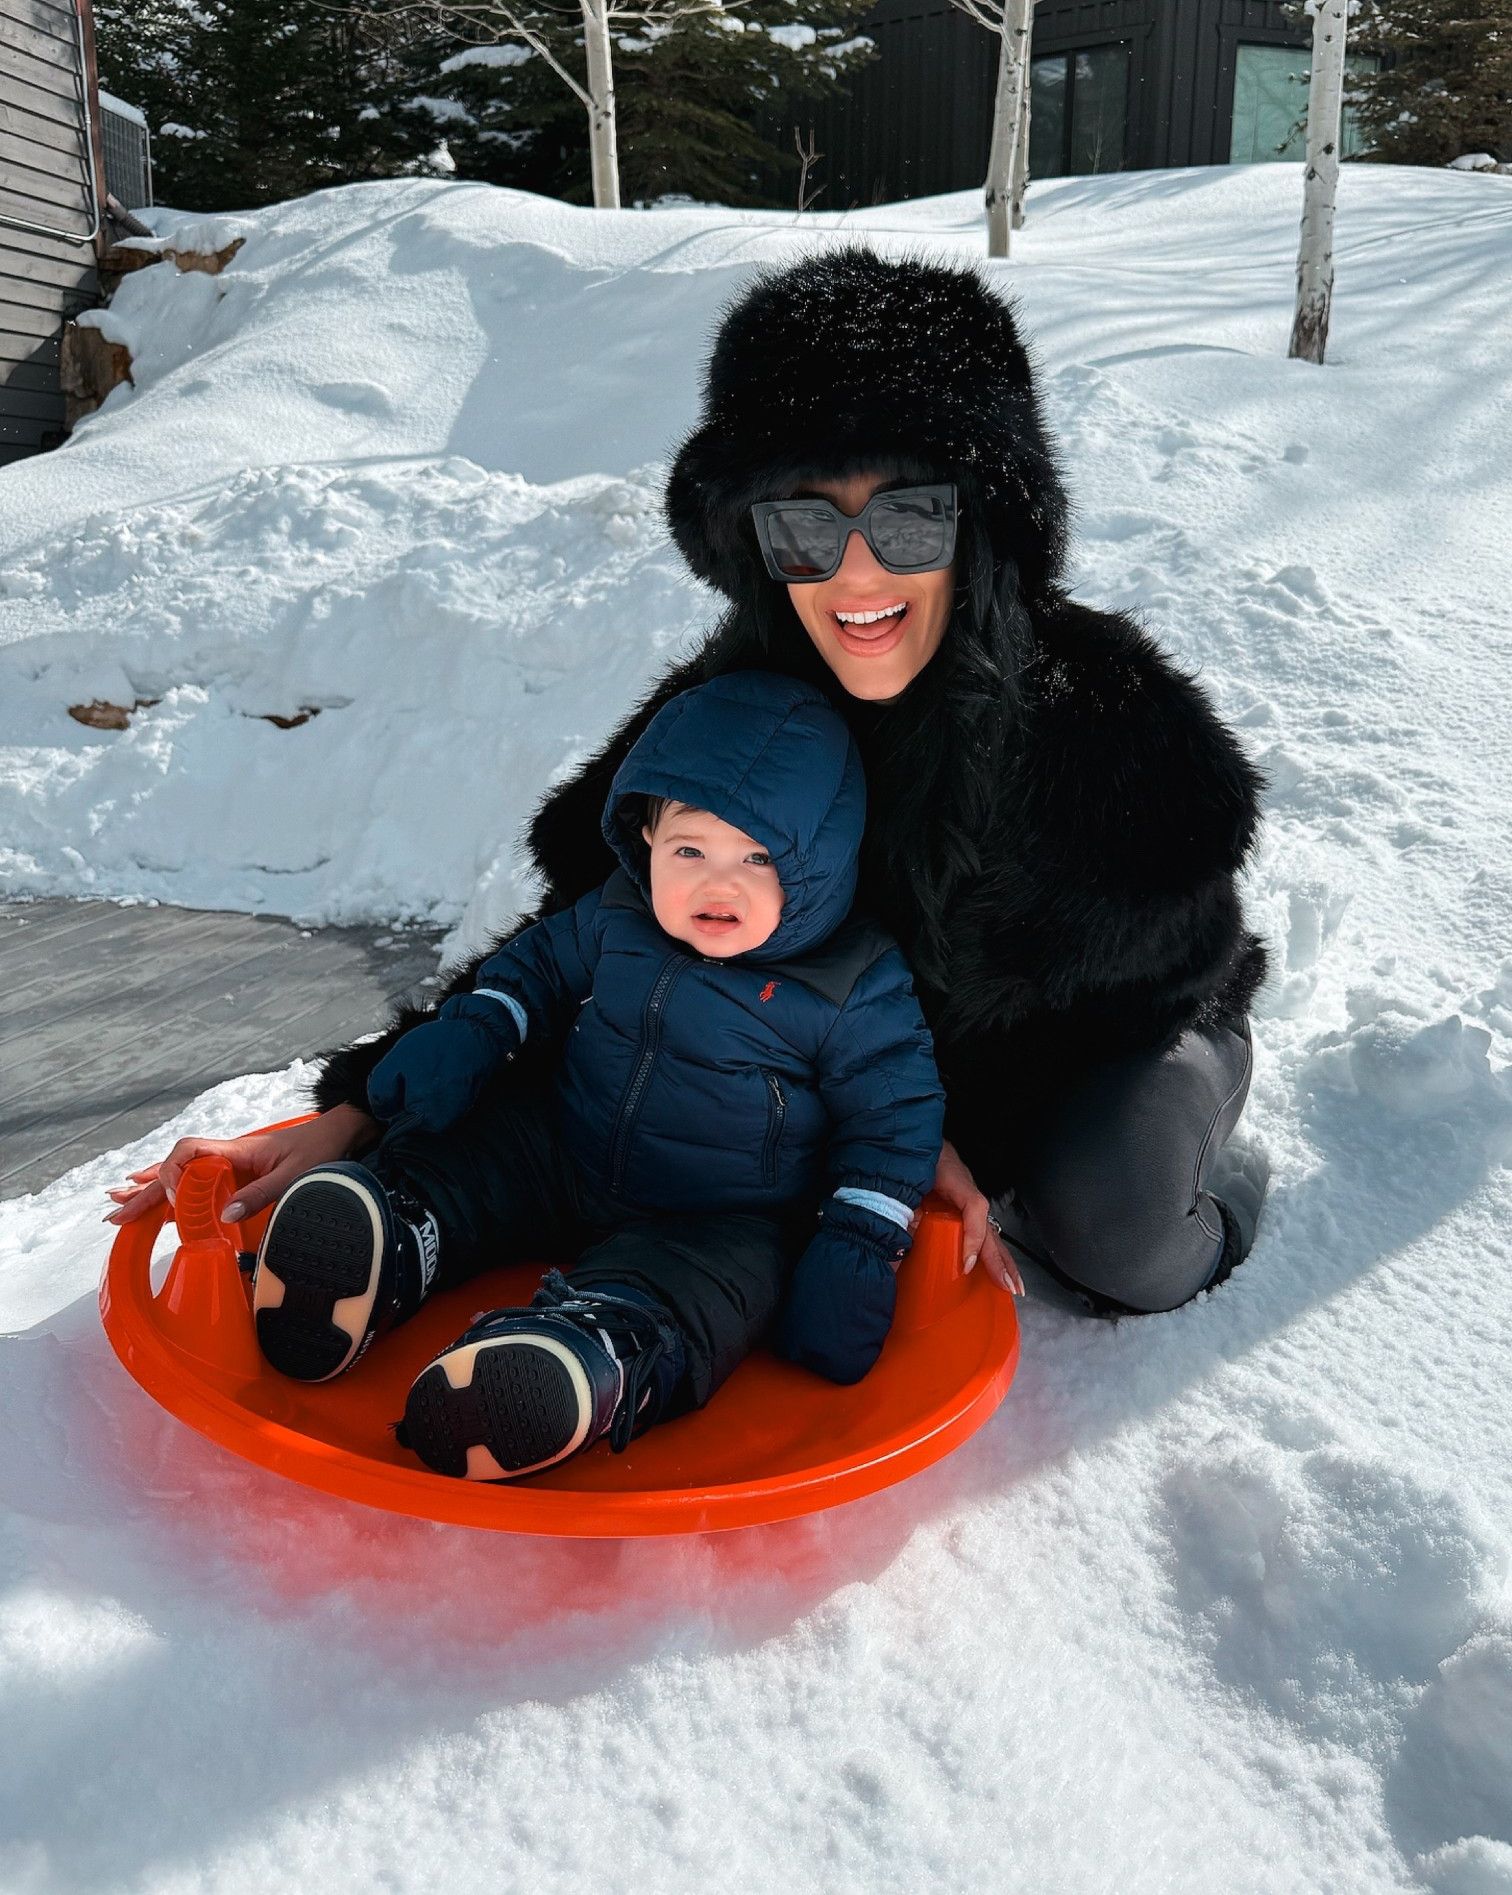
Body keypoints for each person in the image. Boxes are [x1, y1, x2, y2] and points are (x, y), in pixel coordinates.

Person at [112, 245, 1266, 1322]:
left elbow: (1150, 968)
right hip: (858, 1062)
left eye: (910, 517)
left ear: (985, 526)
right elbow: (592, 932)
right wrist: (364, 1109)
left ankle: (1216, 1190)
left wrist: (933, 1133)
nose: (858, 573)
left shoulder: (1101, 720)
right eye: (807, 527)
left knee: (1107, 1227)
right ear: (753, 540)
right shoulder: (735, 705)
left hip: (1125, 1033)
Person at [243, 671, 944, 1481]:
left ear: (818, 858)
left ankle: (590, 1355)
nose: (717, 883)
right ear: (645, 840)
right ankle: (396, 1238)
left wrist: (858, 1244)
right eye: (690, 850)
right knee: (469, 1153)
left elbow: (892, 1120)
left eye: (757, 856)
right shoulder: (619, 910)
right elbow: (534, 970)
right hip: (566, 1145)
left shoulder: (852, 981)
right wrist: (472, 1030)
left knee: (708, 1291)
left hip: (724, 1214)